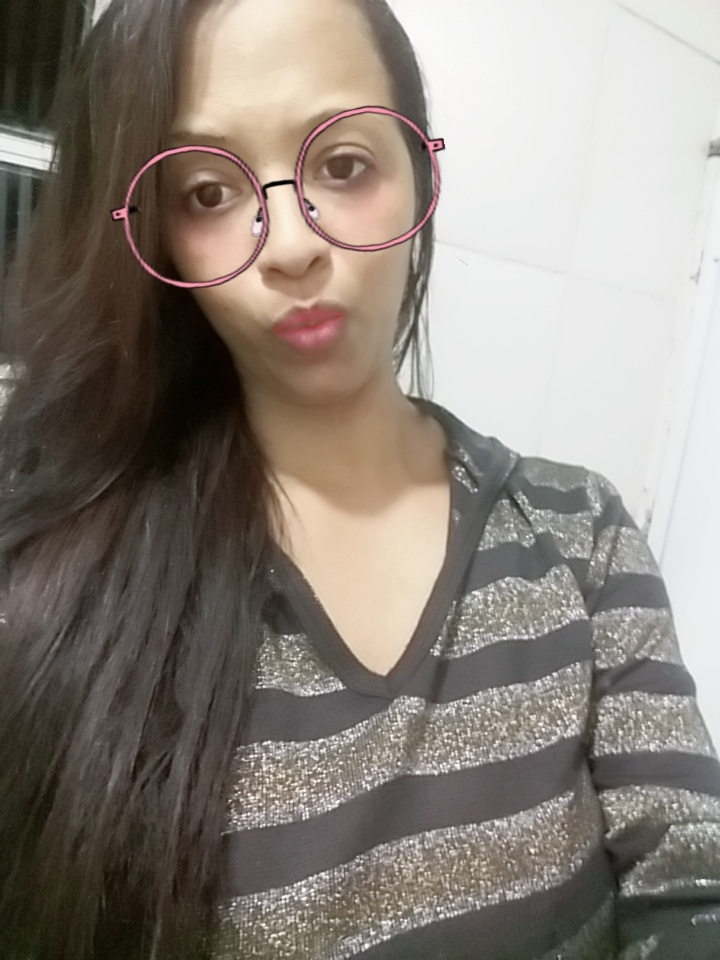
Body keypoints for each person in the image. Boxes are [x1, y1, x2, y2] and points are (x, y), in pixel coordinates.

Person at [0, 0, 719, 957]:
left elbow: (689, 879)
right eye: (207, 192)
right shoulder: (55, 583)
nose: (291, 247)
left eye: (341, 166)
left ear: (418, 167)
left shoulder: (580, 535)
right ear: (157, 235)